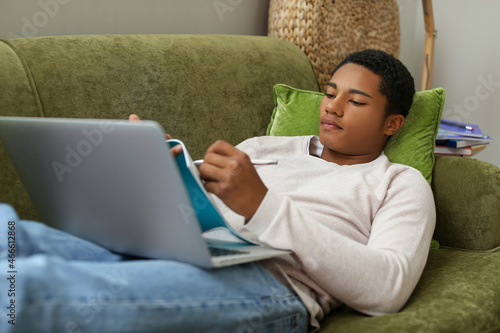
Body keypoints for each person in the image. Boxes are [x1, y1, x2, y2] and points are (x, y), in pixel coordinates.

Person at [0, 49, 435, 332]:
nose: (333, 107)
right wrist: (161, 174)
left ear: (392, 123)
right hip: (179, 246)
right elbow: (202, 202)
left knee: (30, 286)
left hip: (269, 284)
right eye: (330, 93)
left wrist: (264, 206)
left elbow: (387, 287)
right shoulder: (263, 147)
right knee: (10, 231)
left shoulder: (397, 183)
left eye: (356, 102)